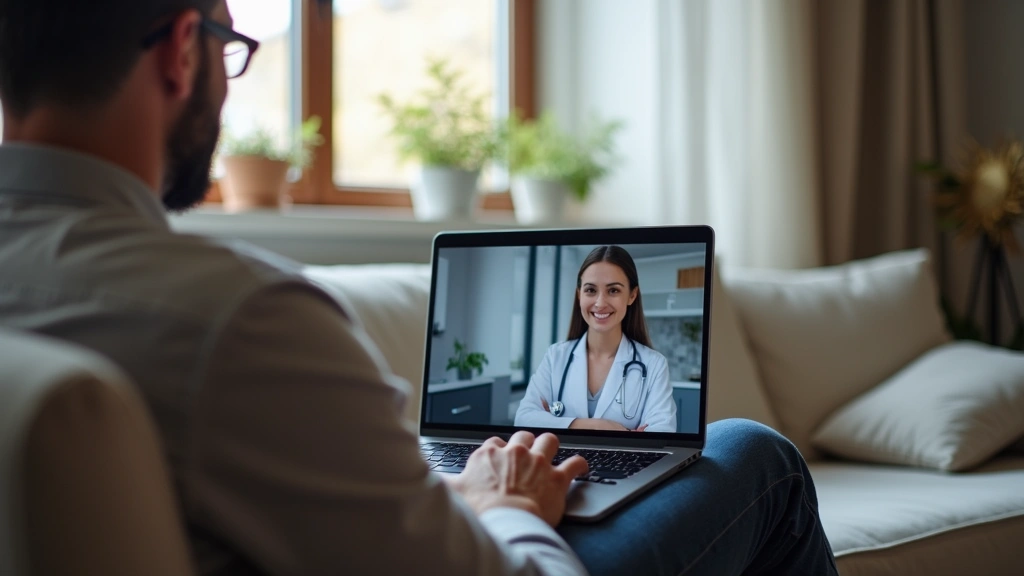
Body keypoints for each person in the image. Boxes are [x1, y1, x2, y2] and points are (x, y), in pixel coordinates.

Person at [0, 1, 838, 574]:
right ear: (184, 50)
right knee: (756, 455)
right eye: (229, 49)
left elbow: (608, 426)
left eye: (614, 292)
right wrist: (503, 505)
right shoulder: (246, 320)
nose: (600, 303)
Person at [515, 246, 676, 432]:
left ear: (632, 295)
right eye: (590, 290)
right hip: (560, 461)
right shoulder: (555, 357)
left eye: (613, 291)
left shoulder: (653, 364)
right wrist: (603, 427)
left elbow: (662, 433)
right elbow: (524, 418)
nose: (600, 303)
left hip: (622, 462)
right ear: (579, 295)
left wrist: (555, 423)